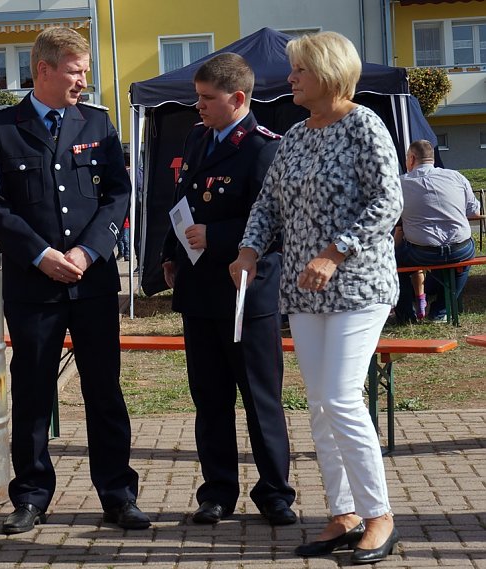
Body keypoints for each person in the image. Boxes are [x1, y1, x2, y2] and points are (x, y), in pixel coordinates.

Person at [230, 31, 402, 564]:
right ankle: (343, 513)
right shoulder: (297, 135)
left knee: (342, 397)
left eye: (299, 70)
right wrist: (248, 250)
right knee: (321, 406)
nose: (290, 78)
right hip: (304, 294)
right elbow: (268, 205)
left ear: (327, 72)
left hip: (358, 287)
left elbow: (388, 201)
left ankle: (380, 516)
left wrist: (335, 252)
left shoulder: (364, 125)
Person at [0, 27, 150, 534]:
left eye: (86, 72)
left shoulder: (95, 122)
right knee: (32, 392)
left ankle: (118, 494)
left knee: (104, 390)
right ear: (44, 69)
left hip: (92, 282)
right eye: (76, 71)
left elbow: (119, 195)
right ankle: (30, 496)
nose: (83, 81)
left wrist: (87, 249)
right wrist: (41, 254)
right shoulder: (2, 127)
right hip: (35, 287)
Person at [160, 53, 296, 527]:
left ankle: (275, 492)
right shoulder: (197, 138)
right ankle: (217, 492)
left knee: (260, 398)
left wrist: (216, 238)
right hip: (200, 290)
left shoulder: (265, 148)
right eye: (196, 97)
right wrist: (170, 253)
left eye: (206, 99)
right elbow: (182, 198)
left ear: (238, 99)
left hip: (245, 292)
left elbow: (277, 222)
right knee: (210, 399)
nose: (197, 106)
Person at [394, 140, 479, 323]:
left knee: (394, 264)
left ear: (411, 158)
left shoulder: (399, 184)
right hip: (460, 248)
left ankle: (406, 315)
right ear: (432, 158)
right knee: (462, 263)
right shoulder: (456, 177)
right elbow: (475, 211)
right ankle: (440, 311)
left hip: (421, 252)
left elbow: (389, 215)